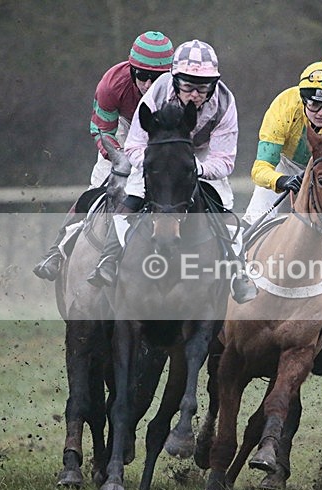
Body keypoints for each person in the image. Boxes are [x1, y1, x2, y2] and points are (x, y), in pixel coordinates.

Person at [87, 39, 256, 303]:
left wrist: (195, 168)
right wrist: (159, 165)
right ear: (175, 80)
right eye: (188, 86)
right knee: (129, 198)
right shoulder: (158, 91)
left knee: (225, 208)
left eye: (202, 88)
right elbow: (134, 145)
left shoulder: (225, 101)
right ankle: (109, 259)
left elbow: (225, 160)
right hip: (159, 153)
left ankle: (238, 273)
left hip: (201, 153)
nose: (195, 95)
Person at [33, 31, 174, 280]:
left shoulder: (178, 89)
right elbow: (101, 131)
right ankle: (56, 250)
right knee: (99, 187)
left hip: (161, 130)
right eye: (142, 75)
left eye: (158, 77)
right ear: (131, 70)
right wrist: (120, 157)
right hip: (124, 126)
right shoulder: (111, 84)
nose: (149, 85)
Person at [241, 59, 322, 329]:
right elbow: (260, 168)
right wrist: (283, 180)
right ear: (303, 100)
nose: (321, 112)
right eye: (314, 105)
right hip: (285, 167)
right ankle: (233, 286)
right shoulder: (283, 108)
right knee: (249, 226)